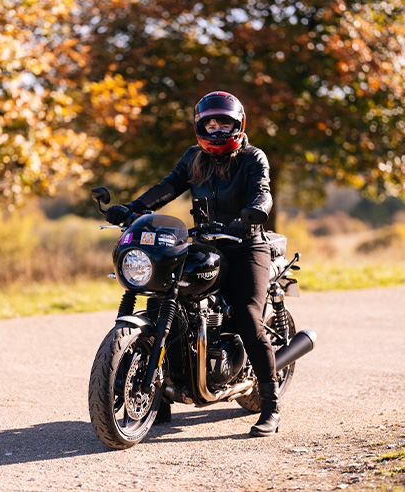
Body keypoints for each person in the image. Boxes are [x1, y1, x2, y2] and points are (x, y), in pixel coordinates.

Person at [106, 91, 279, 437]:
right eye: (209, 122)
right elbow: (168, 186)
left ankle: (272, 404)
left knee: (246, 313)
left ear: (237, 124)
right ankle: (162, 391)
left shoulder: (252, 157)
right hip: (203, 243)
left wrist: (253, 214)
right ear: (200, 125)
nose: (215, 128)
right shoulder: (194, 158)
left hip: (245, 245)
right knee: (169, 297)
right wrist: (133, 207)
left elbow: (263, 191)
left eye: (223, 122)